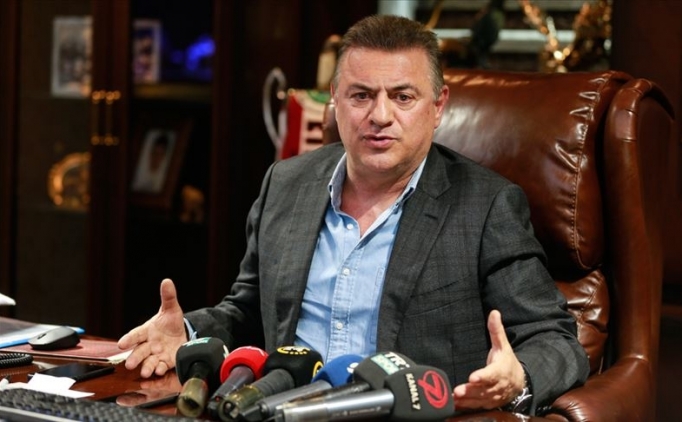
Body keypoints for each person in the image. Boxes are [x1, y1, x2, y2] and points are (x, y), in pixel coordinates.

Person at [119, 14, 589, 414]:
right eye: (361, 95)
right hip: (280, 411)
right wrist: (188, 331)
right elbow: (249, 312)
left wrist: (517, 378)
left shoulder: (485, 206)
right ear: (335, 99)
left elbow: (555, 339)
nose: (380, 115)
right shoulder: (286, 183)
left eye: (403, 97)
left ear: (438, 106)